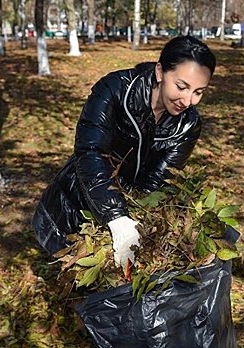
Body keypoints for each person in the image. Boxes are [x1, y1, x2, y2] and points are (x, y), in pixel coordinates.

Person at [33, 36, 216, 272]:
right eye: (181, 87)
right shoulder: (116, 90)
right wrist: (117, 218)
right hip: (80, 197)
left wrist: (139, 217)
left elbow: (159, 179)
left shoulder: (187, 125)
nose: (188, 101)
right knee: (69, 271)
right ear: (160, 72)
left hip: (128, 203)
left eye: (199, 92)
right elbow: (90, 152)